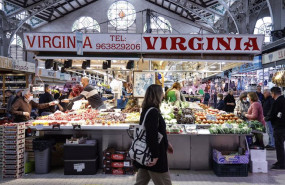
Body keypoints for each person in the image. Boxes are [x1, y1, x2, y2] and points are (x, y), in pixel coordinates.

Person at [134, 84, 173, 185]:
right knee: (165, 183)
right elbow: (151, 136)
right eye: (161, 93)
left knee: (140, 182)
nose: (163, 96)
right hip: (153, 155)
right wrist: (155, 156)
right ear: (157, 95)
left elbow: (155, 132)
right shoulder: (153, 112)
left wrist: (167, 143)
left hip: (144, 154)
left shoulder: (146, 110)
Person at [265, 87, 285, 170]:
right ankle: (281, 161)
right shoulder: (284, 99)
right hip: (283, 126)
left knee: (279, 145)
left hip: (279, 126)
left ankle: (281, 163)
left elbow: (273, 113)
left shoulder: (277, 102)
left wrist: (266, 118)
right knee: (281, 145)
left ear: (273, 93)